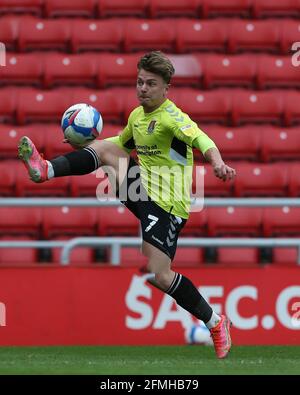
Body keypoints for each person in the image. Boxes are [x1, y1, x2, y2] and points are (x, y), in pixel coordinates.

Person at [18, 51, 236, 359]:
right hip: (142, 191)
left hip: (168, 206)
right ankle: (46, 170)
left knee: (160, 274)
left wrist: (218, 163)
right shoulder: (137, 117)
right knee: (107, 148)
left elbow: (202, 140)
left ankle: (216, 322)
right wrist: (85, 147)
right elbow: (119, 146)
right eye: (139, 82)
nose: (143, 88)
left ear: (165, 88)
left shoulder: (173, 119)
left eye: (150, 83)